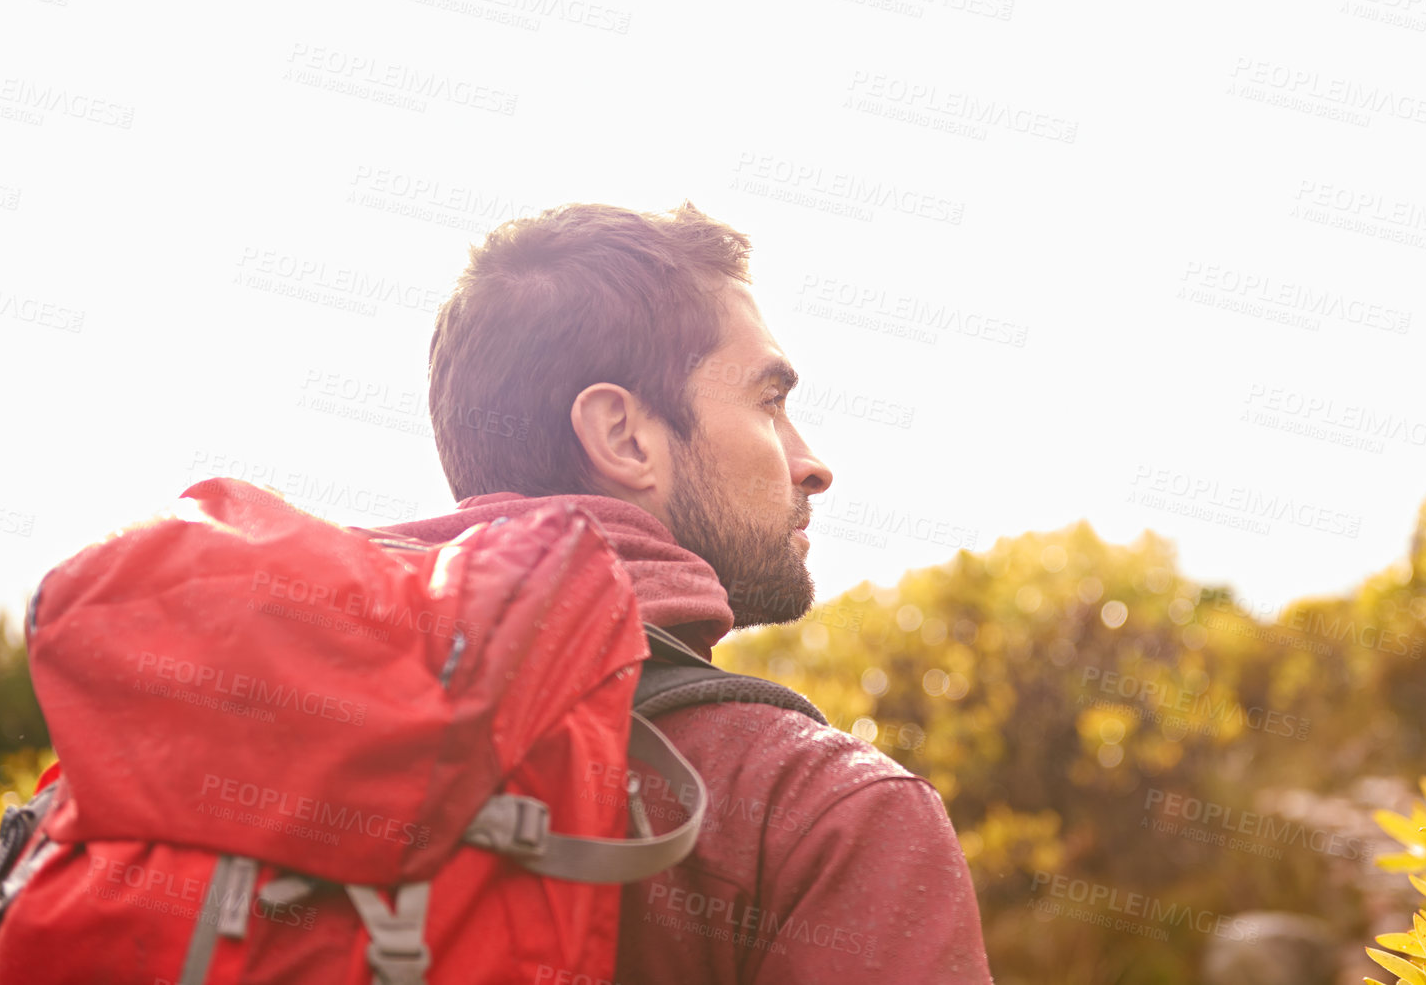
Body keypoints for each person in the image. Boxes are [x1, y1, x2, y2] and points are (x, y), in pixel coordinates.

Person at [371, 201, 992, 983]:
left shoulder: (293, 723)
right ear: (623, 436)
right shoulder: (821, 810)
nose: (810, 463)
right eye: (769, 401)